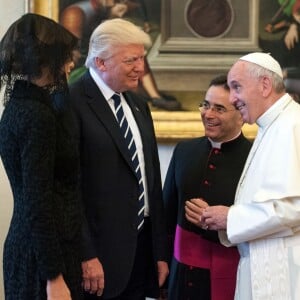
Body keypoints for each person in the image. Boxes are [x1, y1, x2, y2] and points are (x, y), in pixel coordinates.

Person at [185, 52, 300, 299]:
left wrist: (230, 218)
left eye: (237, 87)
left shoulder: (291, 126)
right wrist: (225, 221)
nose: (233, 97)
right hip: (262, 261)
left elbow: (294, 208)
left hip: (280, 269)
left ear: (265, 85)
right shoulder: (272, 126)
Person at [69, 18, 169, 299]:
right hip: (97, 260)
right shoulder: (72, 103)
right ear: (101, 63)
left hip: (140, 254)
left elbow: (150, 181)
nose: (141, 67)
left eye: (142, 58)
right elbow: (68, 190)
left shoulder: (138, 105)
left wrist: (159, 252)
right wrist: (86, 255)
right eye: (131, 60)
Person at [0, 13, 83, 300]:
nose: (71, 64)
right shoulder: (37, 115)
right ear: (46, 60)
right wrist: (54, 277)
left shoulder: (20, 104)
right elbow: (38, 202)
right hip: (45, 256)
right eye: (65, 57)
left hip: (32, 244)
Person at [163, 74, 252, 300]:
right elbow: (166, 214)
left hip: (233, 273)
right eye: (206, 105)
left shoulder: (255, 157)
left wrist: (224, 221)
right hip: (180, 276)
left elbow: (265, 220)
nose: (208, 114)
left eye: (219, 108)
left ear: (241, 115)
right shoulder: (184, 150)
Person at [59, 0, 181, 111]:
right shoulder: (74, 13)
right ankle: (152, 96)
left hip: (96, 62)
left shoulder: (101, 10)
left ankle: (154, 96)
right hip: (82, 69)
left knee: (132, 54)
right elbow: (70, 53)